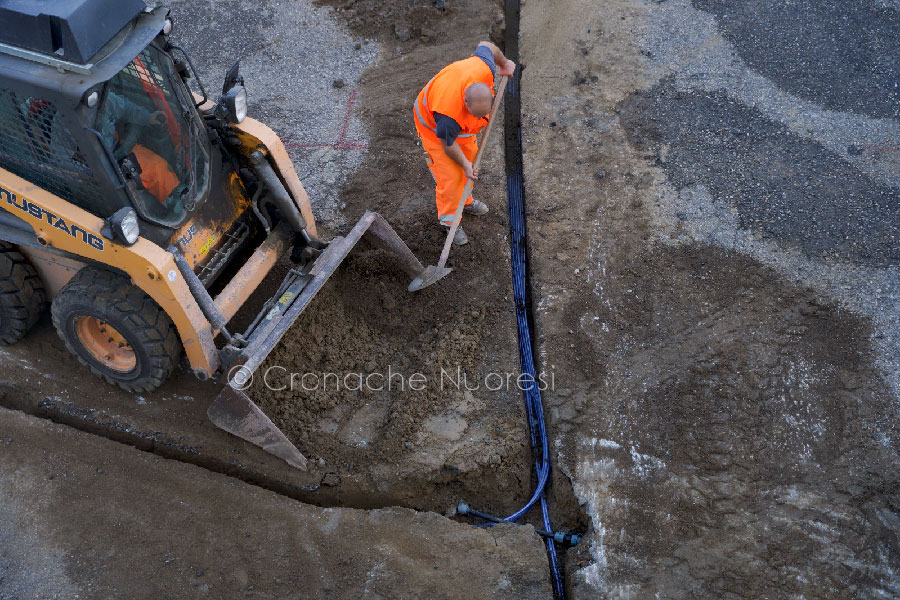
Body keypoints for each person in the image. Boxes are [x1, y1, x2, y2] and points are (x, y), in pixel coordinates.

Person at [413, 41, 515, 245]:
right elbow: (448, 144)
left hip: (463, 130)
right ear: (465, 102)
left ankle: (465, 202)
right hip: (436, 132)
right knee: (450, 177)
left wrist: (503, 63)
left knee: (470, 164)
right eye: (475, 114)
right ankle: (450, 222)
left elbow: (486, 44)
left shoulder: (483, 67)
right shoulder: (448, 116)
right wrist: (464, 165)